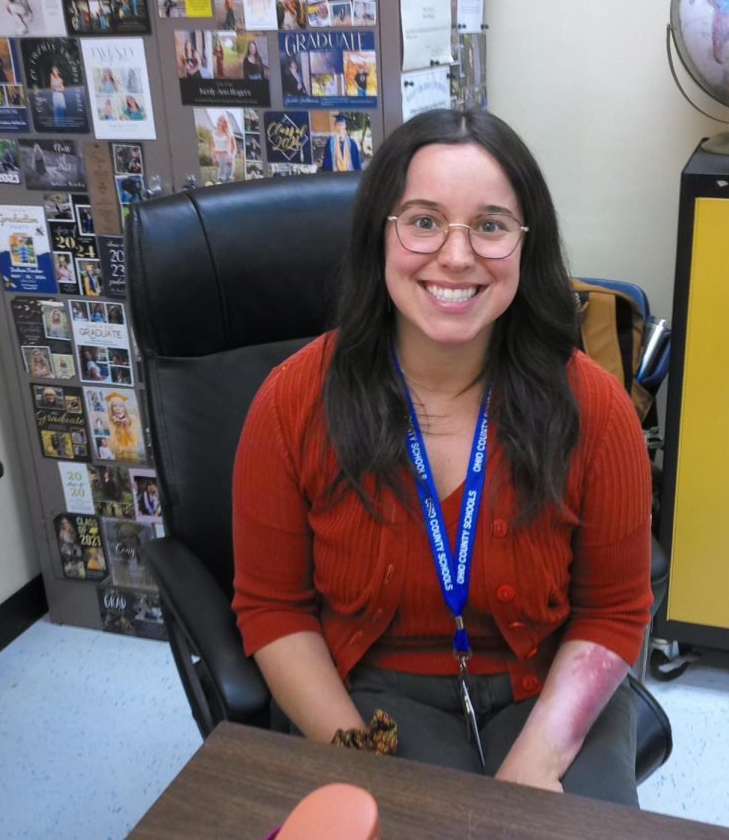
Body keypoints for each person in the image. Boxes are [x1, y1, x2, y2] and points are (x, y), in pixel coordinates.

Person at [232, 110, 652, 806]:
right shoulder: (292, 403)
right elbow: (274, 609)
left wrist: (537, 761)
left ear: (525, 244)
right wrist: (361, 762)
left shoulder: (597, 410)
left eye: (489, 226)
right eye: (424, 221)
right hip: (372, 698)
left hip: (548, 687)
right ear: (381, 235)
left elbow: (613, 612)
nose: (456, 257)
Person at [211, 112, 238, 183]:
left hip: (227, 159)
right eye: (221, 120)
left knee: (227, 181)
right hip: (218, 159)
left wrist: (232, 158)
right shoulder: (213, 133)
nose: (223, 122)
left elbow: (234, 148)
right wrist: (213, 159)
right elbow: (212, 147)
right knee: (220, 181)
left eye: (225, 121)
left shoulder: (229, 133)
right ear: (218, 121)